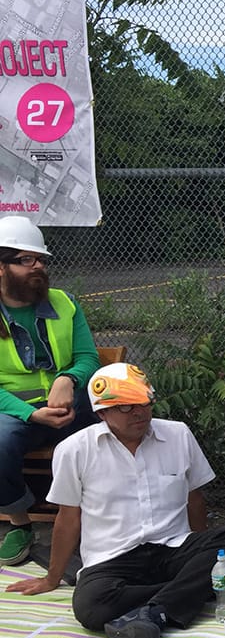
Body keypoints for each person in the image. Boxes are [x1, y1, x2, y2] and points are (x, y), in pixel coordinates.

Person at [4, 362, 225, 638]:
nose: (139, 412)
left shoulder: (178, 434)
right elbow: (69, 519)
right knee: (90, 607)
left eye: (144, 403)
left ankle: (156, 611)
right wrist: (52, 578)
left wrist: (203, 555)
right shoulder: (74, 450)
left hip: (173, 547)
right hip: (113, 557)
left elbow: (195, 499)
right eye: (125, 407)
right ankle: (199, 590)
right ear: (101, 413)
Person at [0, 215, 100, 568]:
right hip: (15, 411)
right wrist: (30, 413)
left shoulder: (64, 302)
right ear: (1, 266)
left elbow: (88, 357)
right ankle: (19, 523)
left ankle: (103, 522)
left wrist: (68, 379)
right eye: (27, 260)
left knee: (121, 412)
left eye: (42, 259)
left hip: (72, 403)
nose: (39, 267)